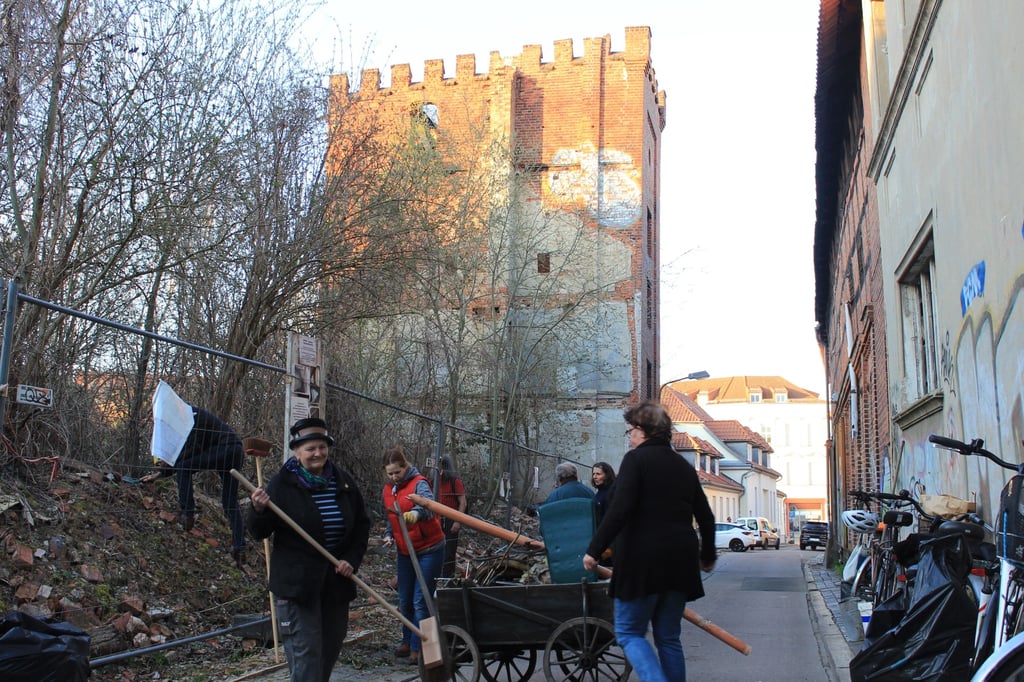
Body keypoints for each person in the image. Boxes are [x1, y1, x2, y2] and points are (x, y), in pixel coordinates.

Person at [583, 401, 716, 682]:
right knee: (668, 638)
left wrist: (594, 550)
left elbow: (620, 509)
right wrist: (707, 555)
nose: (629, 438)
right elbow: (705, 516)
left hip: (642, 561)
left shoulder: (636, 460)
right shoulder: (683, 466)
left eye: (630, 431)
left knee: (629, 632)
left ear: (642, 430)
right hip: (680, 561)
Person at [247, 417, 371, 682]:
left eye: (321, 447)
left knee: (329, 649)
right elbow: (259, 532)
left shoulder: (343, 482)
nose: (317, 453)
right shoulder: (282, 485)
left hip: (336, 583)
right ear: (297, 451)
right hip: (297, 587)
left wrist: (350, 559)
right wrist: (258, 509)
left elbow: (361, 526)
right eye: (310, 448)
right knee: (307, 656)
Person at [142, 405, 246, 564]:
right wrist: (161, 473)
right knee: (229, 502)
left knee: (184, 468)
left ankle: (187, 513)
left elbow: (190, 454)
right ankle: (239, 547)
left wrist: (166, 470)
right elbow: (187, 454)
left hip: (227, 449)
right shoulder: (186, 419)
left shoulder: (191, 418)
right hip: (235, 450)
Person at [382, 446, 446, 665]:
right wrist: (389, 534)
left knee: (421, 600)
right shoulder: (388, 489)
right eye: (389, 473)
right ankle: (407, 640)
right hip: (405, 551)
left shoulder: (418, 483)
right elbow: (390, 517)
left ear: (405, 466)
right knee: (405, 598)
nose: (394, 477)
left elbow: (430, 508)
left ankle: (423, 648)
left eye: (397, 472)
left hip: (429, 549)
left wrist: (414, 515)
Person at [430, 455, 467, 579]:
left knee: (449, 550)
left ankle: (447, 577)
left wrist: (457, 521)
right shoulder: (432, 480)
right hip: (436, 518)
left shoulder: (454, 481)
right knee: (434, 548)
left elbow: (463, 502)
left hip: (451, 518)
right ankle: (435, 574)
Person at [591, 461, 616, 526]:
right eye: (593, 474)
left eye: (598, 474)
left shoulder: (611, 492)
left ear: (607, 476)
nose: (594, 477)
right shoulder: (600, 492)